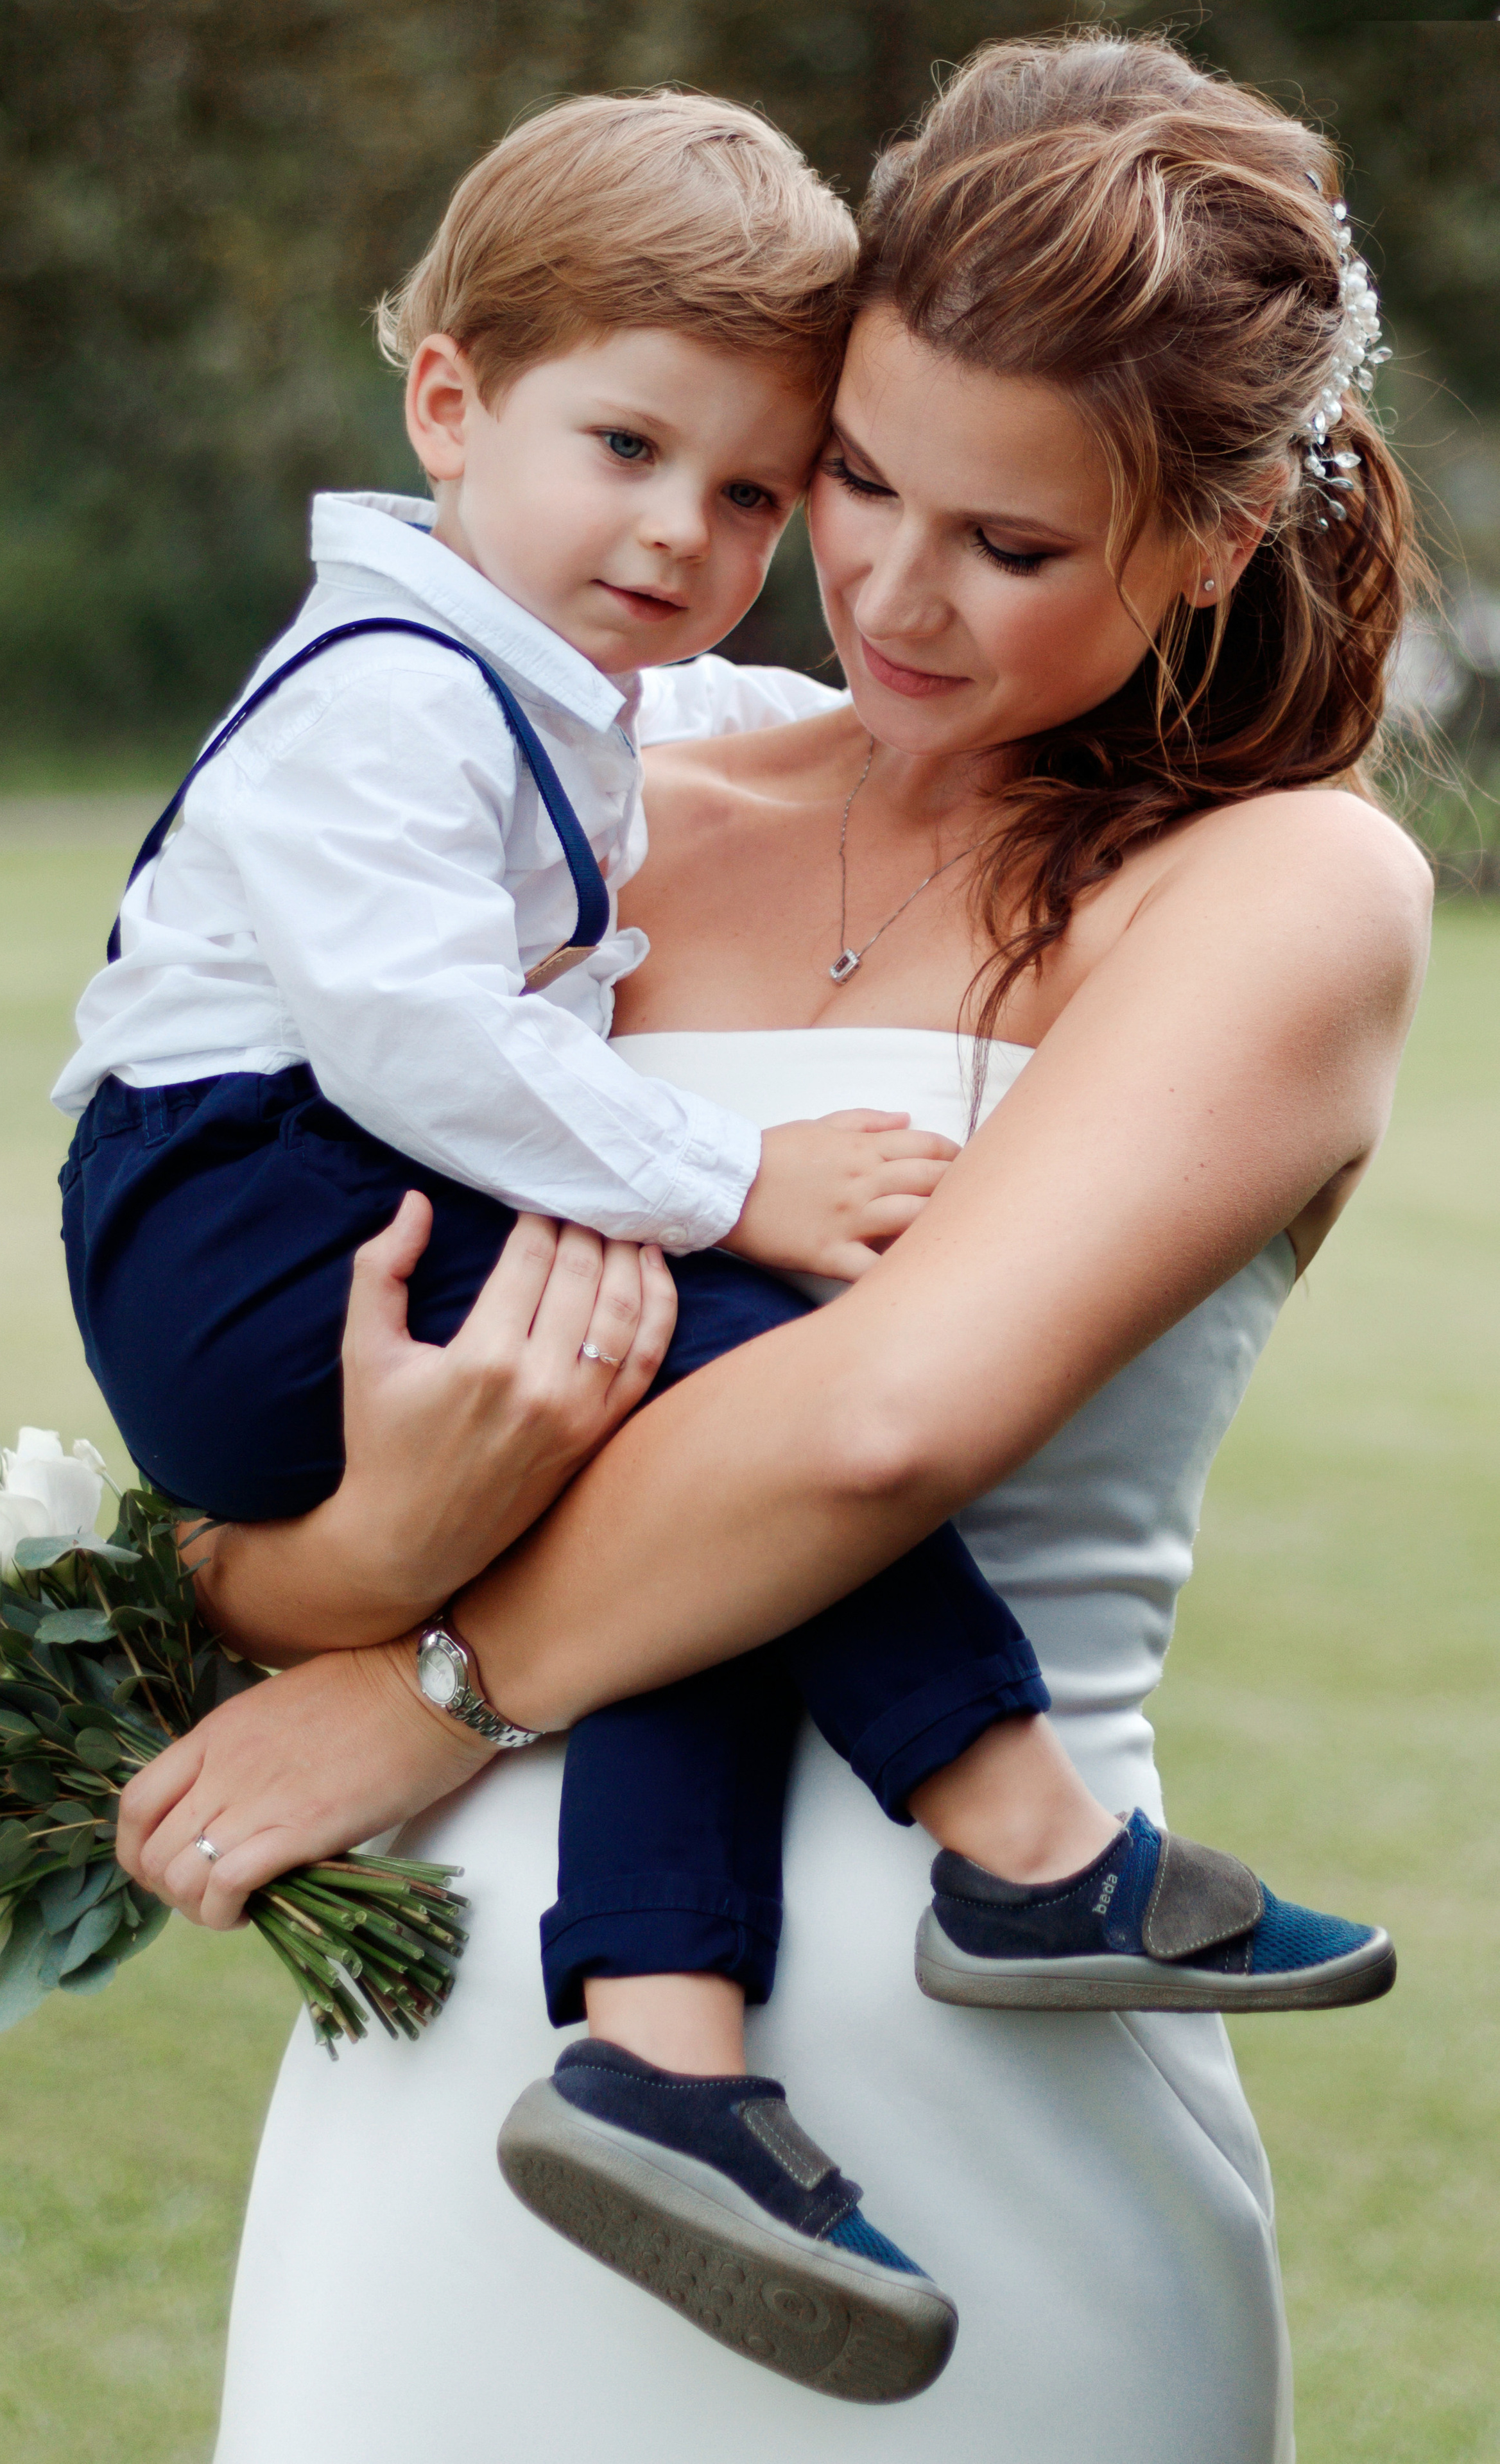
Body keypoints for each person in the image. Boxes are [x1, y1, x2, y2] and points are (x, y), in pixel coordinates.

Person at [117, 31, 1432, 2463]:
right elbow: (254, 1533)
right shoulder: (591, 817)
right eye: (856, 480)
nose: (890, 596)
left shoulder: (1278, 889)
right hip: (452, 2112)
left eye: (1014, 548)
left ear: (1213, 543)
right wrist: (370, 1556)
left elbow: (887, 1415)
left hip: (965, 2106)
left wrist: (429, 1684)